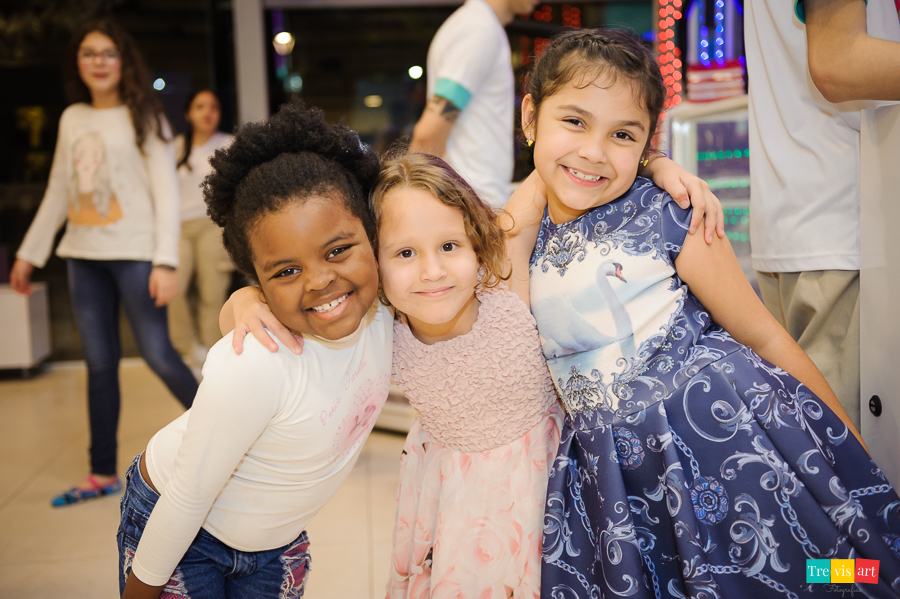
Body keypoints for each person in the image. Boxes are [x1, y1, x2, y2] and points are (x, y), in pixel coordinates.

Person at [513, 28, 900, 596]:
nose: (594, 151)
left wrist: (843, 442)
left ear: (648, 140)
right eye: (573, 121)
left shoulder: (672, 214)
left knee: (817, 569)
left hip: (733, 444)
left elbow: (765, 335)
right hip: (623, 480)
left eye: (623, 134)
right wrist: (646, 162)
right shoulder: (524, 238)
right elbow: (503, 237)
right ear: (530, 118)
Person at [118, 100, 392, 598]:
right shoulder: (258, 363)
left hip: (276, 541)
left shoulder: (388, 313)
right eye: (286, 271)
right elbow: (187, 498)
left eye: (337, 250)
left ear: (373, 235)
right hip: (181, 525)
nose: (320, 280)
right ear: (258, 281)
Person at [9, 19, 198, 507]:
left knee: (158, 355)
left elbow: (165, 192)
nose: (98, 62)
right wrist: (30, 253)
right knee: (99, 366)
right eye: (89, 53)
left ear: (123, 61)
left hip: (136, 254)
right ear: (78, 62)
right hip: (82, 257)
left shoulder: (146, 115)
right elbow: (58, 188)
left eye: (108, 53)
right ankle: (101, 472)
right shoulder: (73, 117)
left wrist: (165, 261)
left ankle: (235, 440)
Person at [745, 0, 900, 428]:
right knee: (852, 463)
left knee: (816, 449)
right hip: (848, 229)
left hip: (804, 225)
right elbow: (839, 61)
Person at [410, 0, 538, 208]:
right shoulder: (479, 29)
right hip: (472, 206)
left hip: (472, 203)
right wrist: (413, 202)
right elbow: (429, 132)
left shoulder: (479, 25)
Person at [168, 89, 234, 371]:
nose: (208, 112)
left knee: (212, 292)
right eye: (200, 106)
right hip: (178, 228)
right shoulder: (174, 147)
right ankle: (187, 349)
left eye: (214, 107)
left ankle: (212, 354)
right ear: (188, 113)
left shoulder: (230, 145)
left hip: (212, 224)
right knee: (172, 290)